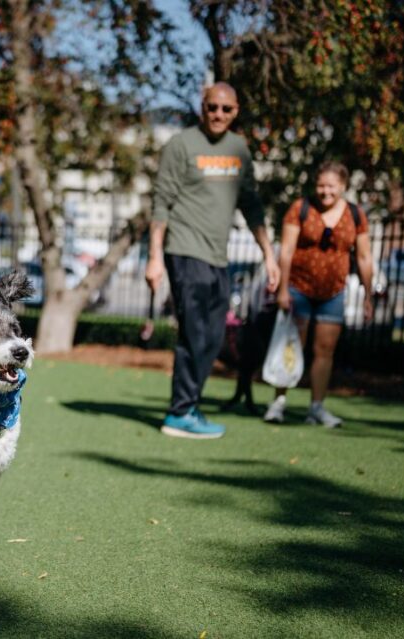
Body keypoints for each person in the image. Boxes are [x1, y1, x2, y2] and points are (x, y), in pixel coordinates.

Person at [146, 82, 280, 439]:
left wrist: (269, 254)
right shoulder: (181, 145)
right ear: (202, 107)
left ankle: (189, 406)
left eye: (226, 109)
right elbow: (161, 201)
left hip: (217, 257)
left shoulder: (239, 149)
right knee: (195, 333)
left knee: (216, 335)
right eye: (212, 108)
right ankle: (179, 413)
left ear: (236, 111)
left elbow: (251, 204)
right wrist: (155, 257)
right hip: (184, 249)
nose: (218, 115)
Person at [263, 161, 373, 428]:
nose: (325, 192)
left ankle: (316, 407)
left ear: (343, 187)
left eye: (331, 186)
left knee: (325, 350)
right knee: (291, 345)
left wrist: (368, 294)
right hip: (298, 288)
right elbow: (286, 251)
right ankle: (278, 402)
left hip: (334, 291)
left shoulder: (355, 215)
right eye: (321, 185)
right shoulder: (300, 209)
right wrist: (283, 289)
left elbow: (364, 256)